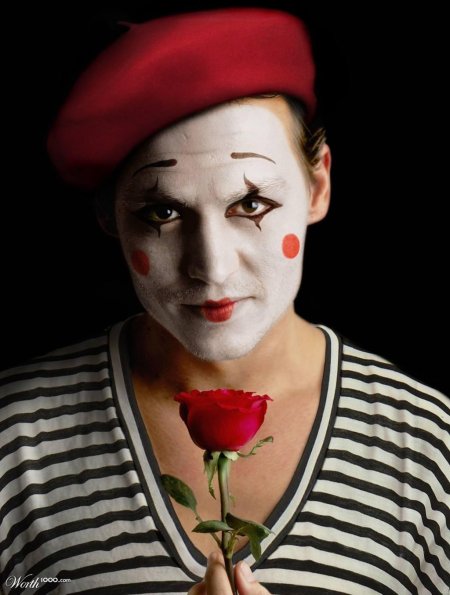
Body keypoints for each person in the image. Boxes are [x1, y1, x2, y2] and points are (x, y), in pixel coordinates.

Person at [1, 7, 448, 595]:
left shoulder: (430, 449)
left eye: (251, 204)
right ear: (110, 215)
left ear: (317, 186)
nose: (211, 267)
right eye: (162, 211)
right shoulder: (13, 440)